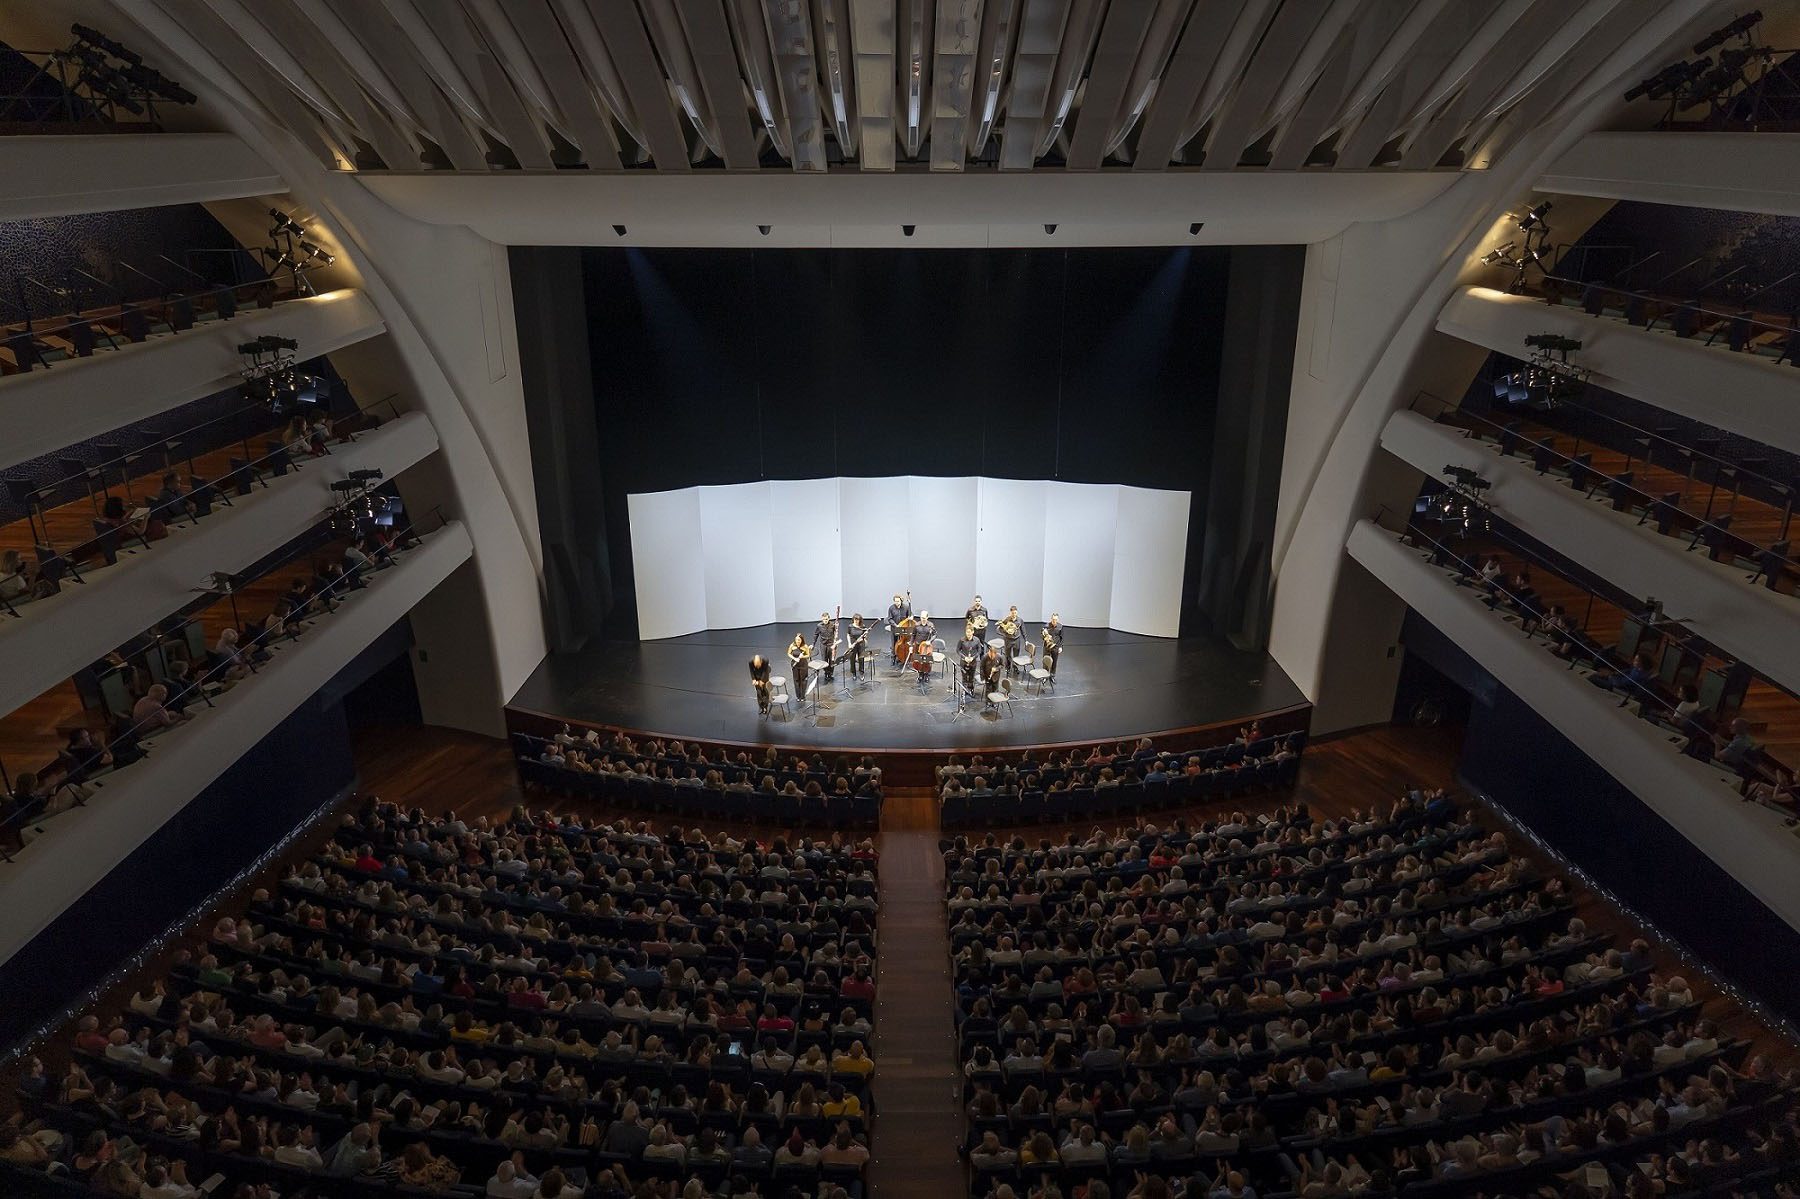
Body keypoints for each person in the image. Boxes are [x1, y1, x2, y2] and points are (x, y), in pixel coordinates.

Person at [998, 604, 1023, 676]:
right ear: (1010, 612)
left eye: (1015, 613)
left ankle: (1015, 667)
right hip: (1008, 640)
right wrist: (1005, 632)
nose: (1014, 614)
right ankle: (1007, 668)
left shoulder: (1020, 620)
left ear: (1017, 612)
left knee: (1016, 656)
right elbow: (1000, 628)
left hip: (1016, 640)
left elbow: (1023, 630)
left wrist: (1026, 640)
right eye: (1012, 613)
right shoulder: (1007, 619)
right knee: (1007, 655)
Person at [814, 611, 838, 683]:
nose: (825, 620)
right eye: (824, 619)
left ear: (829, 618)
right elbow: (816, 634)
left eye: (826, 619)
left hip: (831, 645)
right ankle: (826, 673)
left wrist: (837, 626)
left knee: (831, 660)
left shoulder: (832, 625)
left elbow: (836, 633)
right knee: (824, 660)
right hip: (823, 645)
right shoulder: (819, 626)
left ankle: (830, 674)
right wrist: (813, 643)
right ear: (822, 619)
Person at [885, 592, 911, 657]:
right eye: (895, 601)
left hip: (904, 629)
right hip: (895, 628)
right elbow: (890, 619)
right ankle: (894, 655)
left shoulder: (906, 607)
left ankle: (903, 654)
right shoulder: (891, 608)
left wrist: (911, 617)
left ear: (901, 600)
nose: (897, 603)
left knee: (904, 642)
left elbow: (910, 615)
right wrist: (896, 625)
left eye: (898, 601)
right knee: (894, 642)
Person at [788, 633, 811, 698]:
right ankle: (798, 696)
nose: (797, 641)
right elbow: (789, 653)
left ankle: (803, 696)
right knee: (796, 680)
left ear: (801, 640)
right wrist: (795, 658)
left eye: (799, 640)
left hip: (803, 665)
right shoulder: (792, 645)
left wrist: (802, 656)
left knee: (803, 680)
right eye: (796, 640)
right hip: (795, 665)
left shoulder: (805, 646)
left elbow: (808, 655)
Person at [1041, 613, 1065, 678]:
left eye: (1056, 619)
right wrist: (1045, 637)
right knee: (1046, 661)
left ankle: (1052, 676)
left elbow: (1061, 637)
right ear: (1051, 619)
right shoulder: (1046, 626)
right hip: (1047, 647)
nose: (1054, 621)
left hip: (1055, 647)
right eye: (1053, 619)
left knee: (1054, 662)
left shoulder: (1060, 627)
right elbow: (1042, 636)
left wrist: (1060, 647)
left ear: (1058, 619)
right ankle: (1045, 676)